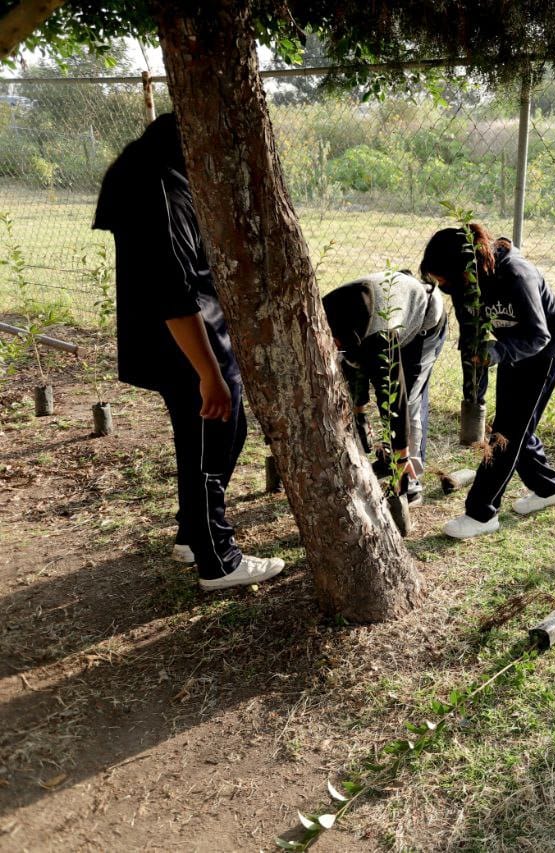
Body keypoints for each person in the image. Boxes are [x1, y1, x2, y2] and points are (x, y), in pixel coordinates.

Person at [92, 113, 284, 591]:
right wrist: (209, 374)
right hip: (189, 346)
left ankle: (191, 536)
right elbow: (173, 294)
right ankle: (218, 561)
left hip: (185, 340)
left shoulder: (151, 176)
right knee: (209, 447)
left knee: (219, 438)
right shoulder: (160, 189)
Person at [419, 224, 555, 538]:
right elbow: (472, 339)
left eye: (444, 278)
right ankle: (549, 488)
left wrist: (499, 351)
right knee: (512, 424)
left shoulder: (516, 275)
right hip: (509, 349)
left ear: (464, 267)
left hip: (543, 349)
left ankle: (482, 513)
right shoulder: (466, 285)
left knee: (507, 434)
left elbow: (538, 335)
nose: (442, 285)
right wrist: (475, 395)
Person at [322, 270, 448, 504]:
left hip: (424, 320)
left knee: (409, 401)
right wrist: (359, 414)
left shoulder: (378, 340)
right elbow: (351, 366)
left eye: (336, 344)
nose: (332, 346)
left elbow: (393, 398)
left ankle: (410, 479)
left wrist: (401, 458)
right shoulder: (322, 316)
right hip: (386, 311)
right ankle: (389, 460)